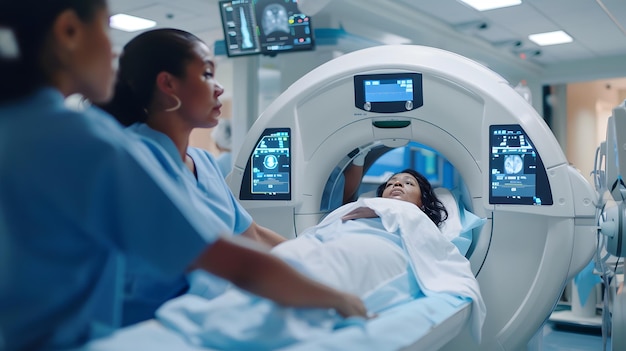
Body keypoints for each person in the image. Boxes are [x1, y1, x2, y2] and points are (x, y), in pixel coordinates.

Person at [0, 2, 366, 350]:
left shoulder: (23, 129)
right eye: (108, 31)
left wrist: (315, 251)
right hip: (122, 329)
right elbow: (233, 262)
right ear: (68, 30)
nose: (115, 53)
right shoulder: (95, 143)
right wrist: (339, 296)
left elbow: (248, 235)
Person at [151, 169, 485, 350]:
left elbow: (435, 253)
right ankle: (218, 315)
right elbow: (322, 231)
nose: (396, 185)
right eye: (392, 183)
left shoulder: (419, 221)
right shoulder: (359, 207)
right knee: (293, 257)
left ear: (423, 200)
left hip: (380, 248)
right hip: (333, 236)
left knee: (325, 271)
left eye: (407, 183)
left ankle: (255, 326)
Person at [97, 28, 293, 325]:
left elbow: (251, 234)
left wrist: (311, 252)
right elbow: (227, 258)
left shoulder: (203, 161)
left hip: (206, 317)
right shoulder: (133, 157)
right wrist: (330, 292)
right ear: (168, 84)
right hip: (148, 327)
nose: (219, 89)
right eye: (207, 74)